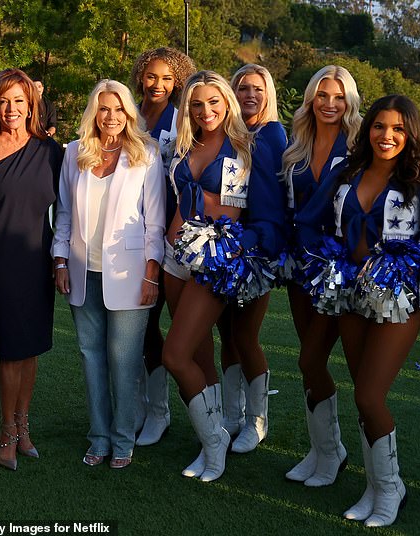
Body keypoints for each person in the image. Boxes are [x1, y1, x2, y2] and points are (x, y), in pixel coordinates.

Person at [297, 95, 420, 527]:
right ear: (367, 129)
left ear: (411, 135)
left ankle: (391, 488)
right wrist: (327, 257)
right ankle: (375, 486)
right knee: (361, 397)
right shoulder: (345, 172)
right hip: (350, 292)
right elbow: (309, 221)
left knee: (371, 395)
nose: (388, 136)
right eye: (380, 126)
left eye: (399, 129)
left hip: (397, 297)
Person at [162, 70, 278, 482]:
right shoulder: (183, 142)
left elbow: (262, 210)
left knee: (173, 355)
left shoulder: (247, 146)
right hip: (172, 258)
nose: (206, 111)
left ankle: (215, 445)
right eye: (196, 104)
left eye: (214, 102)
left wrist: (245, 250)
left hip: (213, 260)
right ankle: (213, 436)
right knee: (198, 355)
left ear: (227, 103)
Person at [52, 79, 165, 469]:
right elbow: (63, 214)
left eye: (118, 109)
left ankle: (123, 438)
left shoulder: (146, 153)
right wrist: (60, 260)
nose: (111, 116)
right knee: (90, 356)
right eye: (104, 109)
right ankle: (98, 436)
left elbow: (155, 221)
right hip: (83, 272)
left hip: (131, 274)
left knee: (124, 359)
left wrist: (152, 274)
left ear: (129, 113)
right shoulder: (74, 153)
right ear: (93, 113)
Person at [0, 69, 63, 470]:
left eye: (19, 101)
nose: (11, 109)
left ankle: (24, 428)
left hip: (38, 259)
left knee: (31, 348)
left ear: (31, 104)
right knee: (10, 350)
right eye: (3, 101)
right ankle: (6, 431)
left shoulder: (51, 150)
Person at [281, 65, 361, 487]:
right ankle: (322, 451)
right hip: (300, 267)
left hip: (339, 270)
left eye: (338, 96)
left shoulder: (362, 145)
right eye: (322, 95)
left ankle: (332, 454)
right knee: (310, 364)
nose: (330, 104)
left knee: (311, 358)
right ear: (311, 98)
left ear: (349, 101)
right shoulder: (297, 143)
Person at [216, 63, 287, 452]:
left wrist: (257, 242)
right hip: (226, 248)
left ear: (268, 94)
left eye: (258, 89)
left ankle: (257, 421)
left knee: (246, 335)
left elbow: (273, 204)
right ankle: (232, 415)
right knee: (226, 333)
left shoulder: (272, 135)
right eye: (242, 87)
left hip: (255, 250)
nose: (249, 95)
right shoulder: (234, 135)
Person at [130, 47, 196, 447]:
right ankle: (140, 407)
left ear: (177, 82)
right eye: (151, 77)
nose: (157, 85)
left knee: (160, 327)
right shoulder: (128, 112)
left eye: (167, 79)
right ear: (140, 76)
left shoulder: (183, 119)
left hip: (168, 234)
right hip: (124, 236)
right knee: (136, 327)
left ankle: (160, 412)